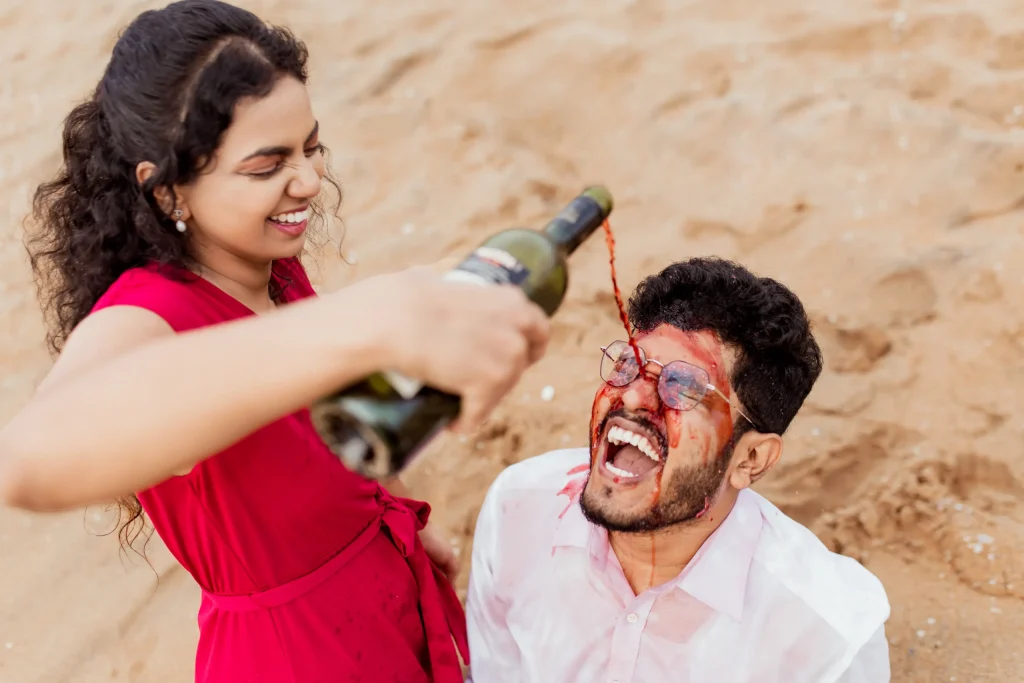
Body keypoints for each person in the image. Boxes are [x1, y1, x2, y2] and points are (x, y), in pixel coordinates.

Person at [0, 1, 552, 681]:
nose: (310, 182)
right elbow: (30, 458)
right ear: (168, 192)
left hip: (391, 596)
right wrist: (349, 324)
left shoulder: (265, 265)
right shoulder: (145, 317)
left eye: (310, 147)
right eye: (268, 167)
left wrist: (396, 509)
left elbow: (325, 433)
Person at [465, 257, 892, 683]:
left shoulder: (827, 636)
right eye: (628, 365)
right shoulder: (518, 509)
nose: (632, 397)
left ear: (751, 459)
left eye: (683, 387)